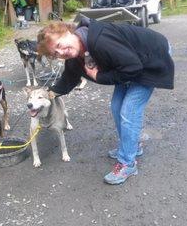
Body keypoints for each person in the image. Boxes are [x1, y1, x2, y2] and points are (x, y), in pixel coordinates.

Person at [37, 18, 174, 185]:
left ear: (67, 32)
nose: (61, 52)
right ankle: (132, 146)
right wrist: (47, 94)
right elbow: (69, 78)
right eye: (55, 53)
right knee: (117, 106)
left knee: (129, 111)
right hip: (129, 63)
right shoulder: (76, 55)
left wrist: (99, 76)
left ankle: (127, 163)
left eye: (59, 45)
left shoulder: (99, 40)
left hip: (150, 57)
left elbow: (133, 67)